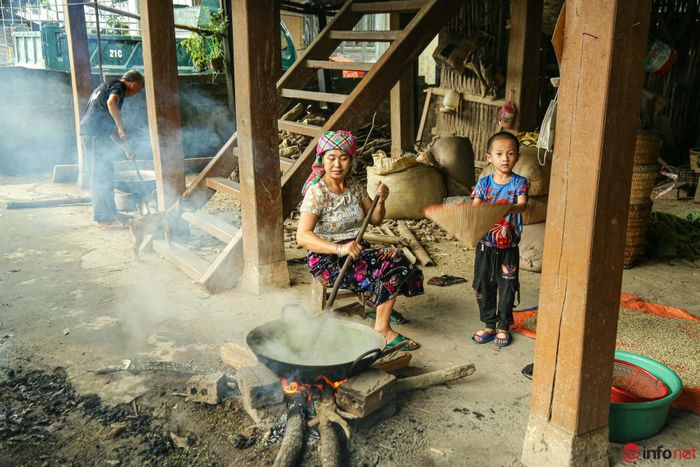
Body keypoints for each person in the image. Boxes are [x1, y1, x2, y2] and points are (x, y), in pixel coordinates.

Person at [296, 130, 424, 350]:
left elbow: (374, 219)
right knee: (394, 263)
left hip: (356, 252)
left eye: (343, 158)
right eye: (331, 158)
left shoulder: (354, 185)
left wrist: (381, 200)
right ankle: (382, 329)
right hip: (328, 260)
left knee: (397, 260)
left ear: (351, 160)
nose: (337, 164)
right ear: (321, 159)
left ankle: (380, 303)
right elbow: (303, 236)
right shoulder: (317, 192)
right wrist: (339, 249)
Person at [470, 131, 528, 347]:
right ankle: (488, 324)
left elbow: (522, 204)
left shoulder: (519, 183)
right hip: (485, 245)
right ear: (489, 158)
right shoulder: (483, 184)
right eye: (499, 153)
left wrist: (507, 206)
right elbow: (475, 209)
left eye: (511, 153)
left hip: (508, 247)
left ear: (518, 157)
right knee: (483, 285)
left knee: (507, 286)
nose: (505, 158)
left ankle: (503, 326)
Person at [79, 70, 145, 228]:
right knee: (100, 176)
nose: (136, 94)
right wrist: (121, 126)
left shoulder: (108, 86)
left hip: (95, 133)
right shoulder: (118, 86)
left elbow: (108, 129)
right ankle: (103, 219)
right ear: (134, 84)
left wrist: (125, 148)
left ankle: (110, 213)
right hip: (93, 134)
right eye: (139, 90)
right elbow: (111, 103)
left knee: (106, 174)